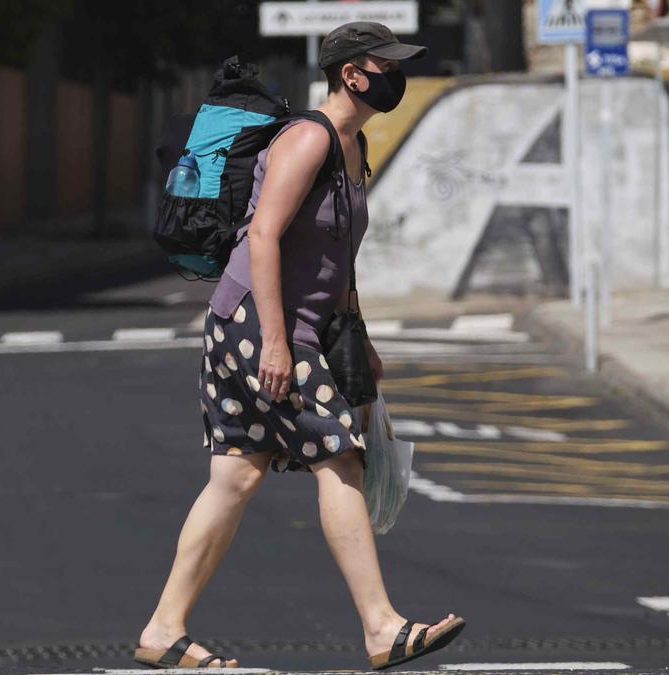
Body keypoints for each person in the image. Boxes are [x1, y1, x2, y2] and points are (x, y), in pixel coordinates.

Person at [134, 23, 465, 670]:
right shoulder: (307, 138)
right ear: (351, 73)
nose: (395, 74)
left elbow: (339, 251)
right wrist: (278, 344)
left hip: (272, 323)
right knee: (340, 452)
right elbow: (262, 237)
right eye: (386, 64)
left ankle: (163, 627)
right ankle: (380, 626)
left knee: (234, 476)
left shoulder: (351, 143)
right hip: (257, 321)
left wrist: (358, 332)